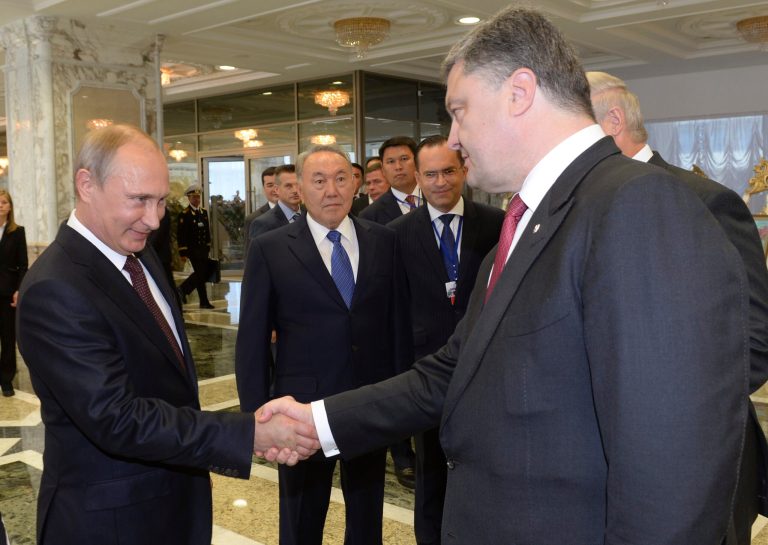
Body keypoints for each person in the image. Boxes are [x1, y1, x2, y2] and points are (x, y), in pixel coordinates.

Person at [260, 7, 752, 543]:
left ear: (519, 92)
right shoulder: (529, 223)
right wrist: (318, 421)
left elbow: (673, 465)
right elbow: (452, 371)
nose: (453, 138)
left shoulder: (638, 206)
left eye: (459, 111)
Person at [16, 124, 318, 545]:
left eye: (160, 202)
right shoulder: (56, 287)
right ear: (87, 184)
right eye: (139, 200)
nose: (154, 219)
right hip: (112, 524)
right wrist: (250, 433)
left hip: (174, 500)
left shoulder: (138, 253)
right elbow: (117, 419)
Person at [586, 69, 768, 544]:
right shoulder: (583, 206)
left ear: (612, 122)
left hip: (702, 458)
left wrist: (658, 411)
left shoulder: (708, 202)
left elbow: (754, 343)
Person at [236, 144, 412, 545]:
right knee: (301, 519)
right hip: (301, 410)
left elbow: (397, 325)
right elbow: (252, 340)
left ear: (354, 184)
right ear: (299, 188)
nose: (331, 190)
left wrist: (402, 400)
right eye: (318, 181)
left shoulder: (384, 241)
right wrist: (254, 420)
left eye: (340, 179)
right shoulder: (271, 248)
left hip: (369, 401)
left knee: (368, 515)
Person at [388, 135, 503, 544]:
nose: (441, 182)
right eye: (431, 174)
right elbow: (395, 311)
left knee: (483, 470)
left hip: (485, 369)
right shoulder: (397, 234)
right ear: (417, 177)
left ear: (464, 171)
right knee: (431, 475)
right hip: (427, 374)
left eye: (449, 171)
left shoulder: (495, 224)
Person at [360, 136, 422, 225]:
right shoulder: (370, 216)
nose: (398, 167)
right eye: (391, 161)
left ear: (417, 161)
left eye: (404, 159)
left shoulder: (436, 196)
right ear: (383, 168)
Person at [0, 190, 26, 397]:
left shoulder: (17, 232)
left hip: (8, 293)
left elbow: (23, 265)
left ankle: (6, 380)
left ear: (10, 207)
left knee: (8, 338)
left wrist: (20, 289)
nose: (0, 205)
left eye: (4, 202)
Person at [177, 184, 214, 308]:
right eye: (194, 197)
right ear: (189, 198)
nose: (197, 200)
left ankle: (182, 289)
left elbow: (207, 231)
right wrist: (183, 252)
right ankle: (203, 301)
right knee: (200, 274)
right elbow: (181, 235)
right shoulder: (185, 214)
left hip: (203, 249)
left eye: (198, 197)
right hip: (193, 250)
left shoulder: (203, 212)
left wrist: (209, 246)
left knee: (201, 274)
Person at [248, 164, 301, 241]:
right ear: (277, 190)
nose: (295, 190)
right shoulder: (262, 223)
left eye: (298, 185)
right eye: (288, 186)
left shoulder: (311, 214)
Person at [243, 165, 278, 237]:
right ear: (263, 189)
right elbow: (250, 248)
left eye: (278, 184)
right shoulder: (253, 219)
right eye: (270, 185)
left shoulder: (302, 212)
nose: (275, 189)